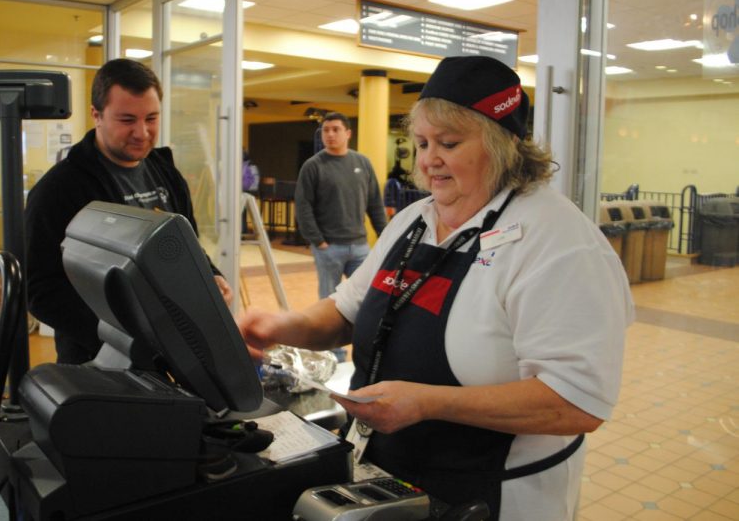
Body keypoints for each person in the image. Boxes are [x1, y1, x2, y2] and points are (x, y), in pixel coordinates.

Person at [239, 56, 633, 521]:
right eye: (421, 142)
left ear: (502, 145)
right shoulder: (414, 220)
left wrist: (427, 403)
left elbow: (574, 403)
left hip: (496, 495)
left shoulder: (557, 241)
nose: (428, 160)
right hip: (387, 475)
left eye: (448, 142)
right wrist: (278, 326)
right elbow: (347, 311)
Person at [25, 58, 233, 364]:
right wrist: (123, 335)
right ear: (96, 114)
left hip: (174, 350)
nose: (142, 132)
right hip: (98, 360)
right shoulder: (59, 189)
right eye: (127, 120)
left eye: (151, 118)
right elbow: (41, 291)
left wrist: (210, 276)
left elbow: (189, 248)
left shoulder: (168, 174)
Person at [295, 112, 388, 300]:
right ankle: (329, 331)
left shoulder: (363, 163)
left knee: (364, 297)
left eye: (335, 129)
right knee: (329, 299)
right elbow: (303, 207)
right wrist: (318, 241)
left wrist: (385, 236)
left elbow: (375, 203)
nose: (330, 134)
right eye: (325, 130)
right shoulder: (313, 166)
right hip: (329, 247)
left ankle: (356, 331)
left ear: (348, 133)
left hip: (360, 246)